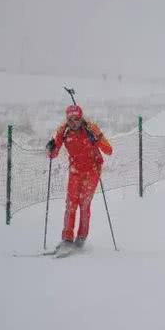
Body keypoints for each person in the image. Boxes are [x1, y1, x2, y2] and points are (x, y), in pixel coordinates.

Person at [46, 105, 113, 255]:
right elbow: (53, 154)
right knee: (71, 204)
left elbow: (109, 150)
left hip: (92, 170)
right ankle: (67, 239)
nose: (73, 122)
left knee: (84, 204)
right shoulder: (63, 132)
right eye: (70, 119)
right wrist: (50, 148)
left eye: (76, 119)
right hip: (75, 171)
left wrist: (98, 137)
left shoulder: (90, 129)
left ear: (81, 118)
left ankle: (81, 238)